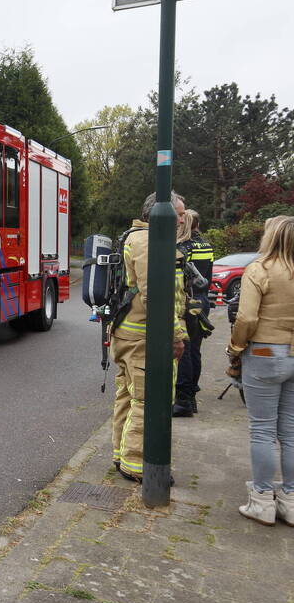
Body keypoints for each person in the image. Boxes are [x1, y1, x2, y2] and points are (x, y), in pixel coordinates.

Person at [111, 191, 188, 482]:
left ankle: (121, 455)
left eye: (182, 214)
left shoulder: (137, 238)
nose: (182, 220)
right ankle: (136, 465)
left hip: (130, 334)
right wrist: (176, 336)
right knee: (148, 401)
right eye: (178, 214)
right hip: (143, 338)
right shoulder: (147, 242)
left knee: (128, 399)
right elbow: (157, 295)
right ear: (156, 214)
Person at [227, 215, 294, 526]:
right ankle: (290, 501)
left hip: (265, 352)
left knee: (263, 430)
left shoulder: (260, 270)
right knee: (290, 431)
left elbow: (247, 319)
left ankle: (263, 500)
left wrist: (235, 349)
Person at [174, 210, 215, 417]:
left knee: (185, 350)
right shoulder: (207, 245)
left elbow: (180, 279)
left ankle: (183, 400)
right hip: (202, 302)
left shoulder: (182, 247)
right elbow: (208, 276)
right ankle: (191, 397)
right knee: (196, 350)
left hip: (187, 302)